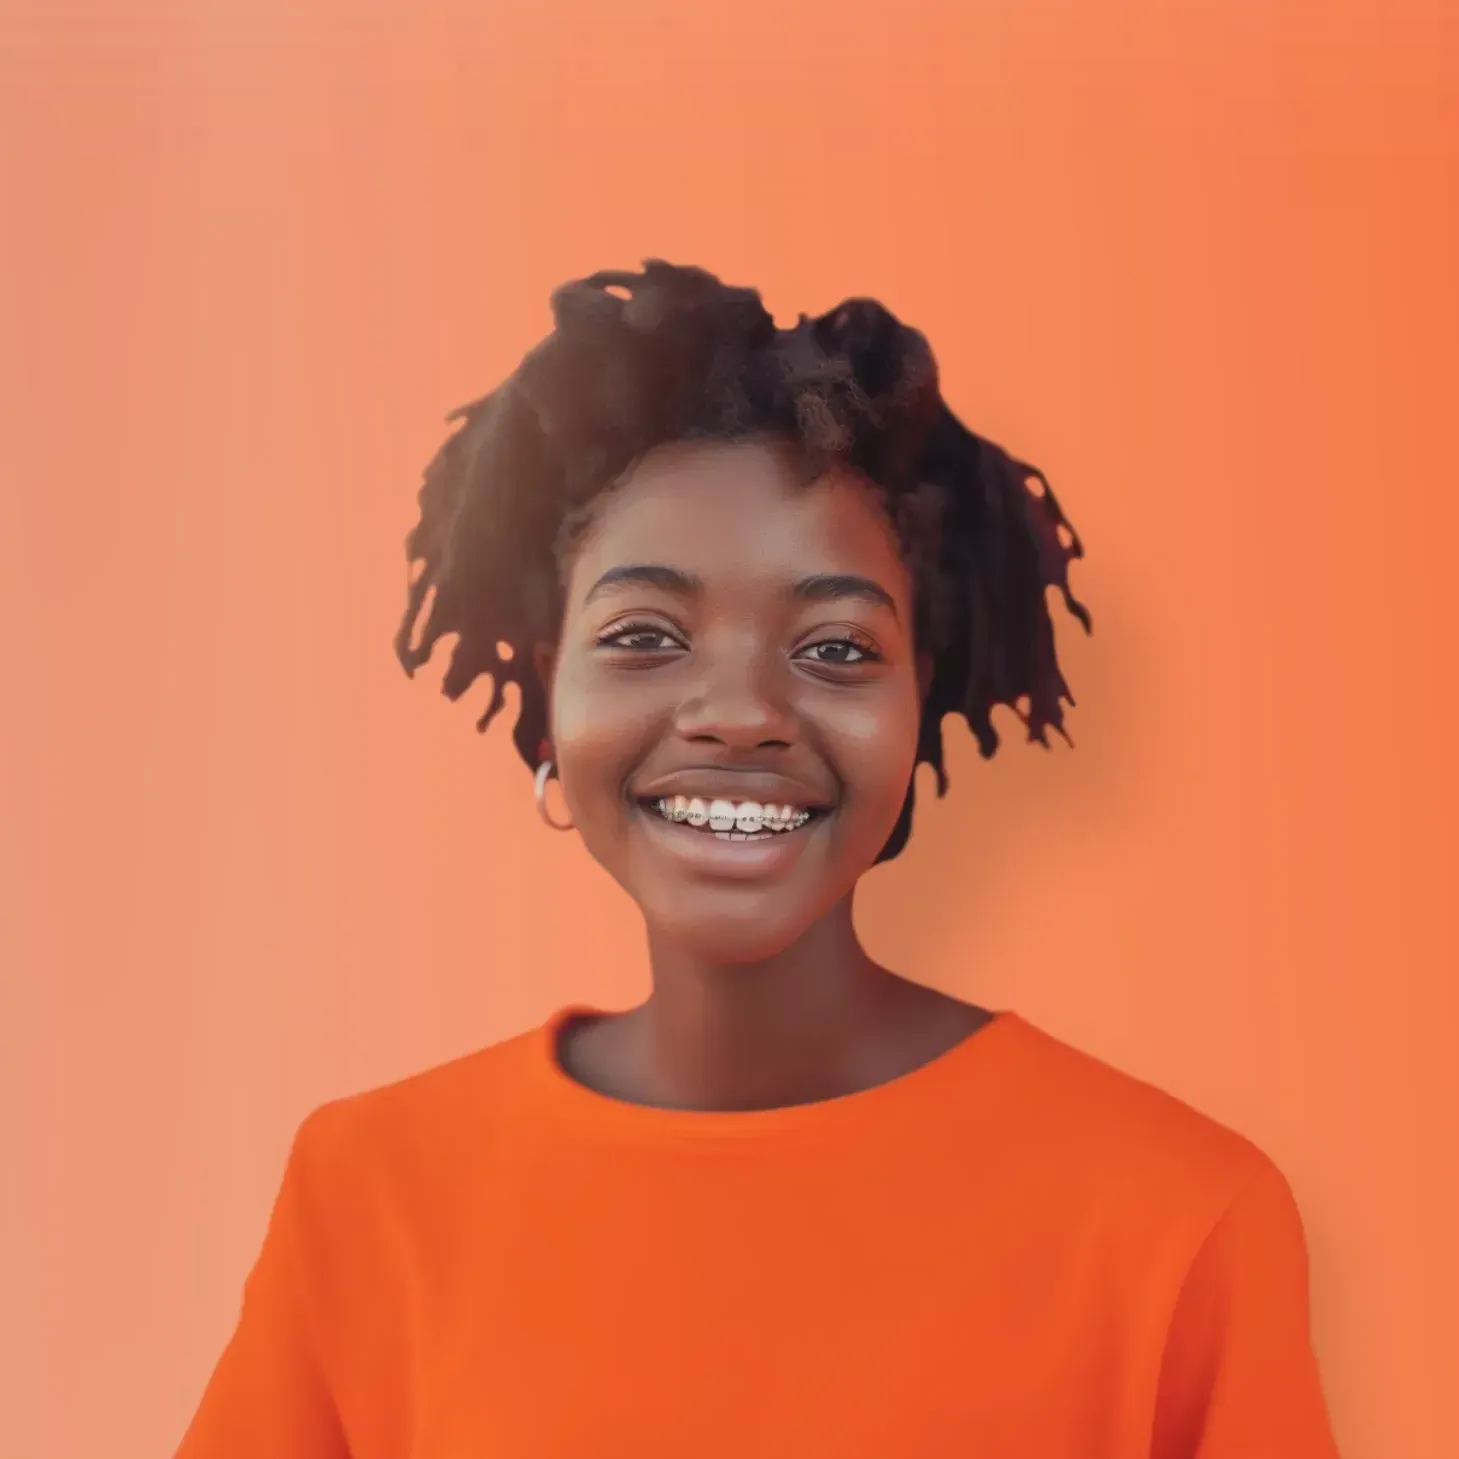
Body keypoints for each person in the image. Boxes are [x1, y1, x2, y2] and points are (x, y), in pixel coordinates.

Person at [175, 261, 1341, 1457]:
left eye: (835, 647)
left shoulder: (1176, 1220)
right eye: (643, 637)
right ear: (544, 690)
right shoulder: (368, 1195)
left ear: (917, 696)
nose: (738, 712)